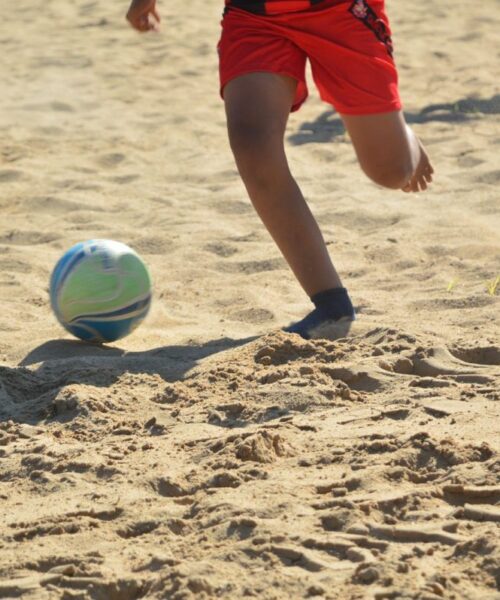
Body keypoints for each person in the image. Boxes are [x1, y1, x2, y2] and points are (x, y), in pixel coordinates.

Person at [126, 0, 434, 339]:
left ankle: (405, 143)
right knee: (251, 142)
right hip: (253, 14)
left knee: (389, 172)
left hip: (338, 9)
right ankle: (331, 305)